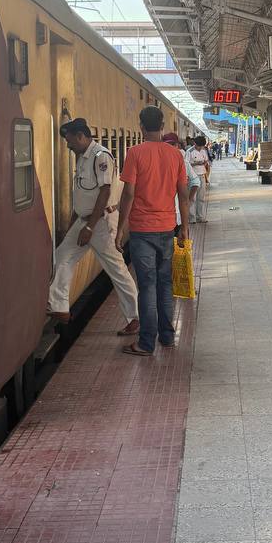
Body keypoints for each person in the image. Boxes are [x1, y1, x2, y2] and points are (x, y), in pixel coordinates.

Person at [47, 118, 139, 337]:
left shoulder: (100, 156)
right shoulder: (82, 158)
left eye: (70, 141)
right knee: (62, 256)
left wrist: (89, 228)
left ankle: (135, 318)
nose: (68, 146)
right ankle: (60, 307)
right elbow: (81, 194)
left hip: (101, 223)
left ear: (81, 136)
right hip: (83, 221)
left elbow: (105, 192)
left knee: (116, 270)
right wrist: (74, 224)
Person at [115, 106, 189, 356]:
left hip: (142, 230)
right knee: (165, 285)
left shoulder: (134, 153)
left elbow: (128, 194)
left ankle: (146, 343)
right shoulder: (176, 155)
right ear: (162, 126)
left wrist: (119, 229)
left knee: (147, 285)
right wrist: (185, 227)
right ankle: (167, 337)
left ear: (141, 127)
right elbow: (183, 195)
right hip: (168, 227)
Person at [187, 135, 211, 222]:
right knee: (192, 198)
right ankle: (192, 218)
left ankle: (200, 217)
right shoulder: (189, 152)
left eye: (202, 146)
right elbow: (187, 165)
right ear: (195, 144)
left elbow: (206, 161)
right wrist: (196, 163)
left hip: (202, 176)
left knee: (201, 198)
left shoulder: (204, 151)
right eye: (199, 146)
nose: (200, 148)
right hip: (193, 177)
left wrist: (204, 163)